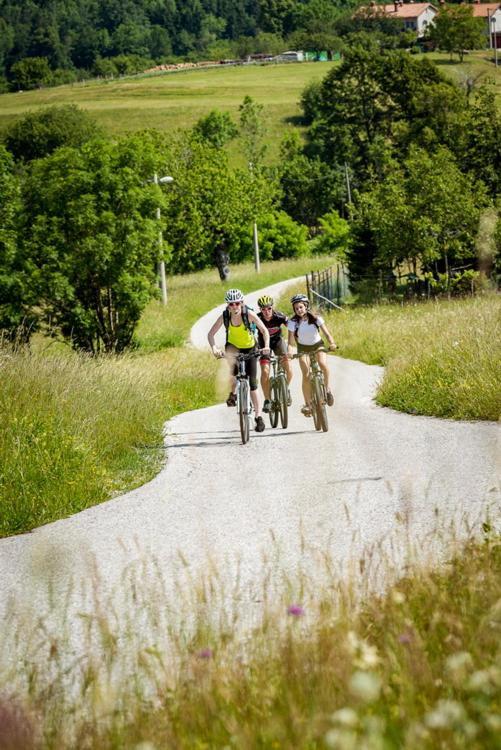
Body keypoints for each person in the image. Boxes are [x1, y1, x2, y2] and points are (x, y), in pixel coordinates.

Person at [207, 288, 270, 433]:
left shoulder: (249, 314)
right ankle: (233, 393)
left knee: (253, 383)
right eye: (231, 304)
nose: (234, 307)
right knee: (233, 373)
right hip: (233, 347)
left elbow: (264, 330)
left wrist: (266, 346)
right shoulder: (225, 316)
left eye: (236, 303)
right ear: (227, 305)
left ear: (241, 302)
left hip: (250, 348)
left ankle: (258, 416)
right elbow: (210, 334)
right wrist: (215, 348)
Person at [287, 293, 337, 417]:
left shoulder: (316, 318)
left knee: (322, 364)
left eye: (301, 307)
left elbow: (326, 333)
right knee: (306, 374)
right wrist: (289, 352)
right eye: (296, 308)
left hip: (317, 345)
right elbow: (291, 342)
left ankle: (327, 389)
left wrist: (332, 343)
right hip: (303, 348)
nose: (299, 310)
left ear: (306, 306)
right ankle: (308, 404)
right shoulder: (293, 322)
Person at [256, 294, 292, 413]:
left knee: (288, 367)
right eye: (263, 309)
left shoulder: (279, 316)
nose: (266, 312)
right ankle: (267, 400)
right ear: (260, 310)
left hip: (277, 341)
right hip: (263, 345)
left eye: (269, 308)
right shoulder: (257, 319)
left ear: (272, 307)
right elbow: (249, 332)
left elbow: (292, 326)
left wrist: (291, 345)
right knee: (265, 372)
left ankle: (285, 388)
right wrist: (255, 347)